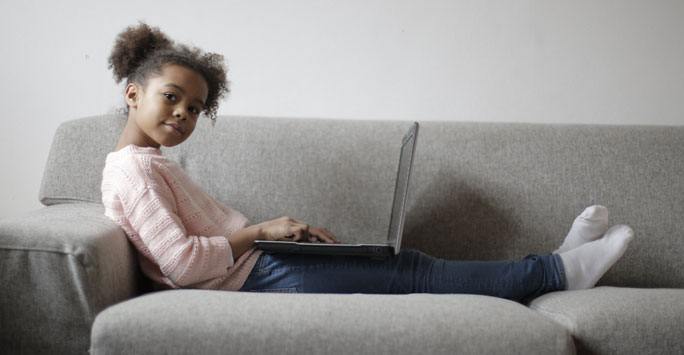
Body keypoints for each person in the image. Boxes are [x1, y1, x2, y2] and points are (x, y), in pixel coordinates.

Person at [101, 22, 634, 300]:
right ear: (132, 94)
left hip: (259, 263)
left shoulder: (146, 163)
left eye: (194, 107)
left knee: (407, 264)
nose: (183, 114)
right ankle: (556, 272)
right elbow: (184, 264)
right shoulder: (135, 169)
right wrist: (262, 231)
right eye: (171, 97)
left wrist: (275, 235)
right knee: (413, 274)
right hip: (254, 276)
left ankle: (556, 265)